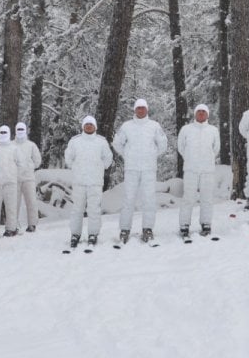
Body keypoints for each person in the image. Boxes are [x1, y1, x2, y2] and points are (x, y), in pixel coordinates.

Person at [113, 98, 167, 243]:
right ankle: (125, 229)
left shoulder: (154, 126)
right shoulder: (126, 126)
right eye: (138, 108)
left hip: (149, 168)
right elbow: (117, 143)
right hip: (131, 168)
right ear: (135, 110)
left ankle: (147, 229)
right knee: (128, 199)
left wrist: (152, 154)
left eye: (143, 108)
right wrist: (127, 154)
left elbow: (163, 144)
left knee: (149, 199)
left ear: (147, 110)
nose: (141, 110)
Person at [64, 115, 113, 248]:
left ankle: (93, 234)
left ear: (95, 126)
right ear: (83, 126)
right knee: (77, 209)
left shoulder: (101, 141)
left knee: (94, 209)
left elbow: (108, 158)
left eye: (91, 124)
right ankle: (75, 234)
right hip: (79, 181)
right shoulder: (75, 141)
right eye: (87, 124)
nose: (89, 126)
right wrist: (75, 167)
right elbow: (68, 158)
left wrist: (100, 167)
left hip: (95, 182)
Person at [177, 104, 221, 238]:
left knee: (206, 198)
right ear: (195, 114)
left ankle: (206, 224)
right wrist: (190, 159)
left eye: (204, 112)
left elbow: (216, 148)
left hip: (207, 170)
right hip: (191, 169)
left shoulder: (213, 130)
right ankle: (184, 225)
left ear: (207, 114)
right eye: (199, 111)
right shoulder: (186, 129)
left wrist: (207, 159)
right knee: (188, 198)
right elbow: (181, 147)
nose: (201, 113)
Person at [14, 121, 43, 232]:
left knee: (31, 201)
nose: (20, 132)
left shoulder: (31, 145)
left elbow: (38, 160)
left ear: (25, 130)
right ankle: (13, 225)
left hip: (28, 178)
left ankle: (32, 224)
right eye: (18, 129)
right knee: (13, 203)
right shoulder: (11, 145)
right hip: (15, 179)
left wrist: (29, 166)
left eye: (22, 129)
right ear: (15, 131)